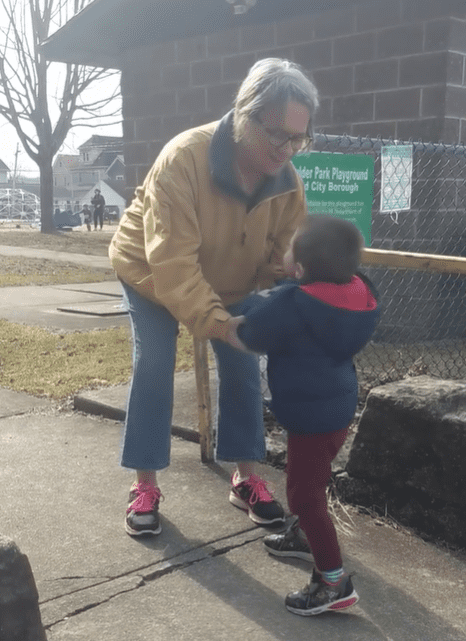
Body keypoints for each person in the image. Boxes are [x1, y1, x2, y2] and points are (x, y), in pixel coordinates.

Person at [109, 58, 319, 537]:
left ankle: (245, 477)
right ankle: (145, 483)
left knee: (244, 365)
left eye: (299, 139)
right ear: (246, 114)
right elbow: (174, 265)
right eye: (279, 135)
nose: (288, 150)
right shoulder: (183, 158)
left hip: (229, 276)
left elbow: (277, 261)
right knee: (155, 364)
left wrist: (286, 295)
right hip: (151, 269)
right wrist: (221, 324)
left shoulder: (287, 183)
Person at [234, 215, 380, 616]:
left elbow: (251, 329)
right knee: (313, 477)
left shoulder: (293, 302)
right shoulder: (359, 292)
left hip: (311, 416)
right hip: (337, 407)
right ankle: (304, 537)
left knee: (304, 493)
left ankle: (332, 580)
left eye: (290, 245)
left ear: (298, 267)